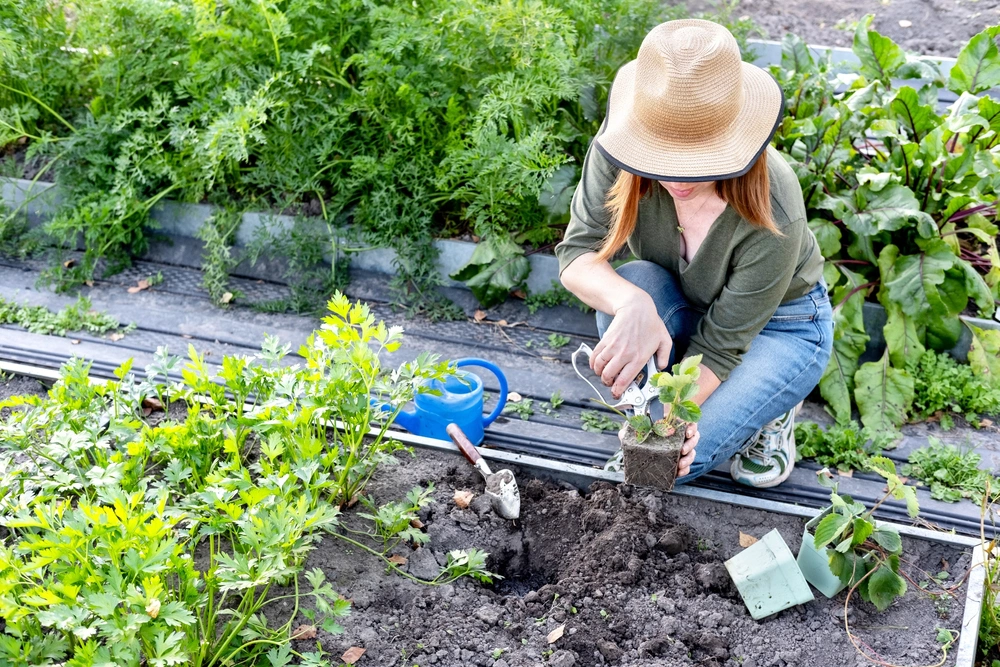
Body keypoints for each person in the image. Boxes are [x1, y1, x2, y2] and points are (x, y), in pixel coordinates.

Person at [556, 19, 832, 488]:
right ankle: (687, 398)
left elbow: (721, 346)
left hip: (778, 329)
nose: (679, 179)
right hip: (681, 300)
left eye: (700, 158)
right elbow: (577, 254)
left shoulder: (774, 207)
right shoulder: (618, 146)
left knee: (671, 465)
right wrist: (632, 304)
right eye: (663, 156)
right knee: (635, 283)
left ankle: (772, 409)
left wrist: (666, 427)